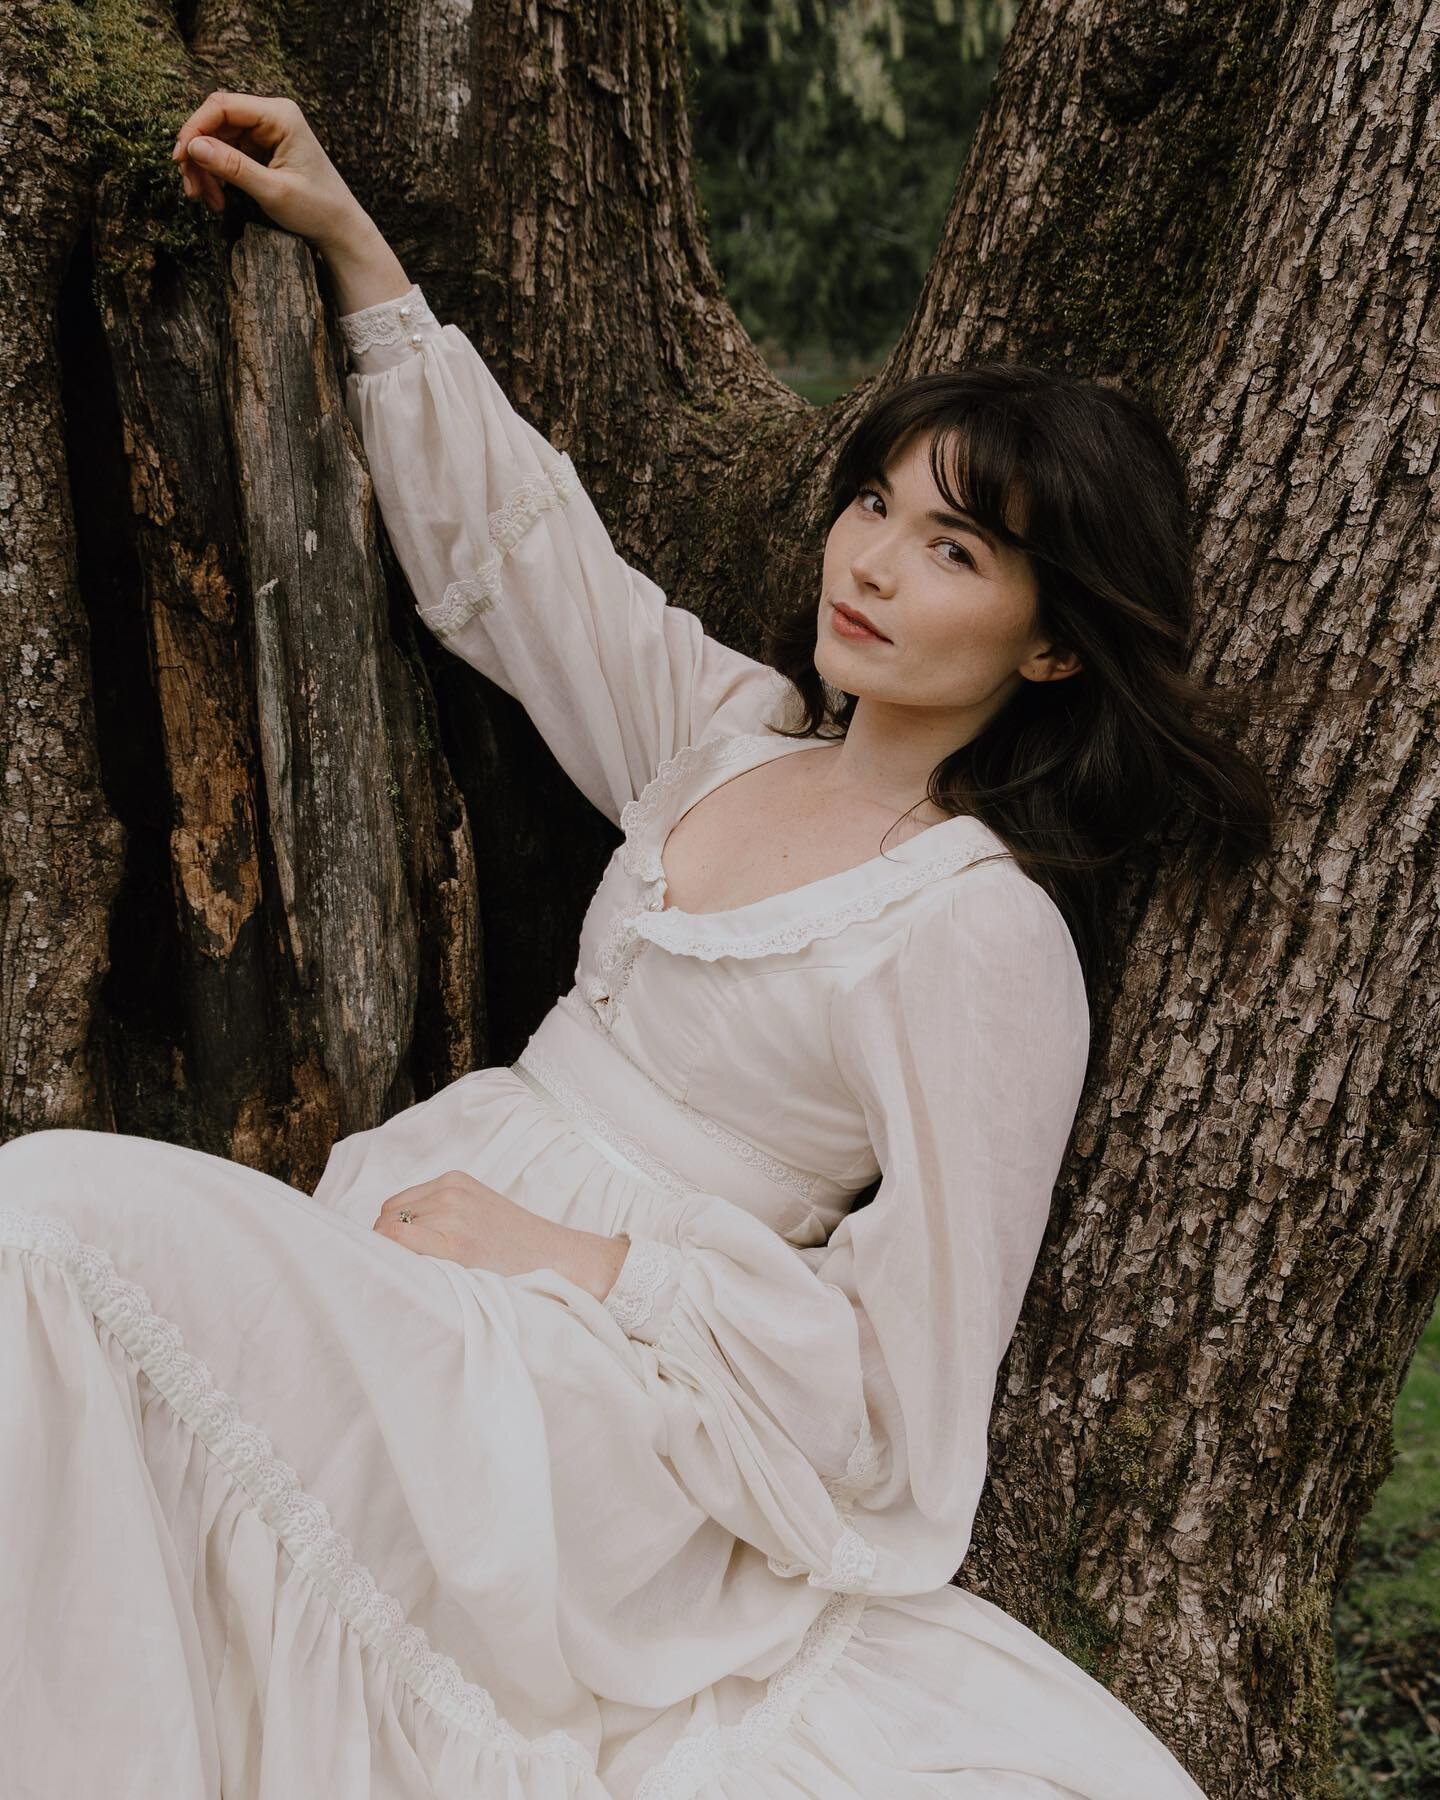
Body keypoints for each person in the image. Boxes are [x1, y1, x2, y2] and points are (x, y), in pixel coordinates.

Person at [0, 92, 1270, 1799]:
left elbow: (907, 1392)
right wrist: (356, 250)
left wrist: (595, 1262)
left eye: (953, 549)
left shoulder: (977, 929)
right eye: (877, 506)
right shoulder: (728, 741)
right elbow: (530, 563)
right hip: (436, 1261)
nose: (875, 566)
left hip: (604, 1405)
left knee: (52, 1222)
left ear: (1054, 649)